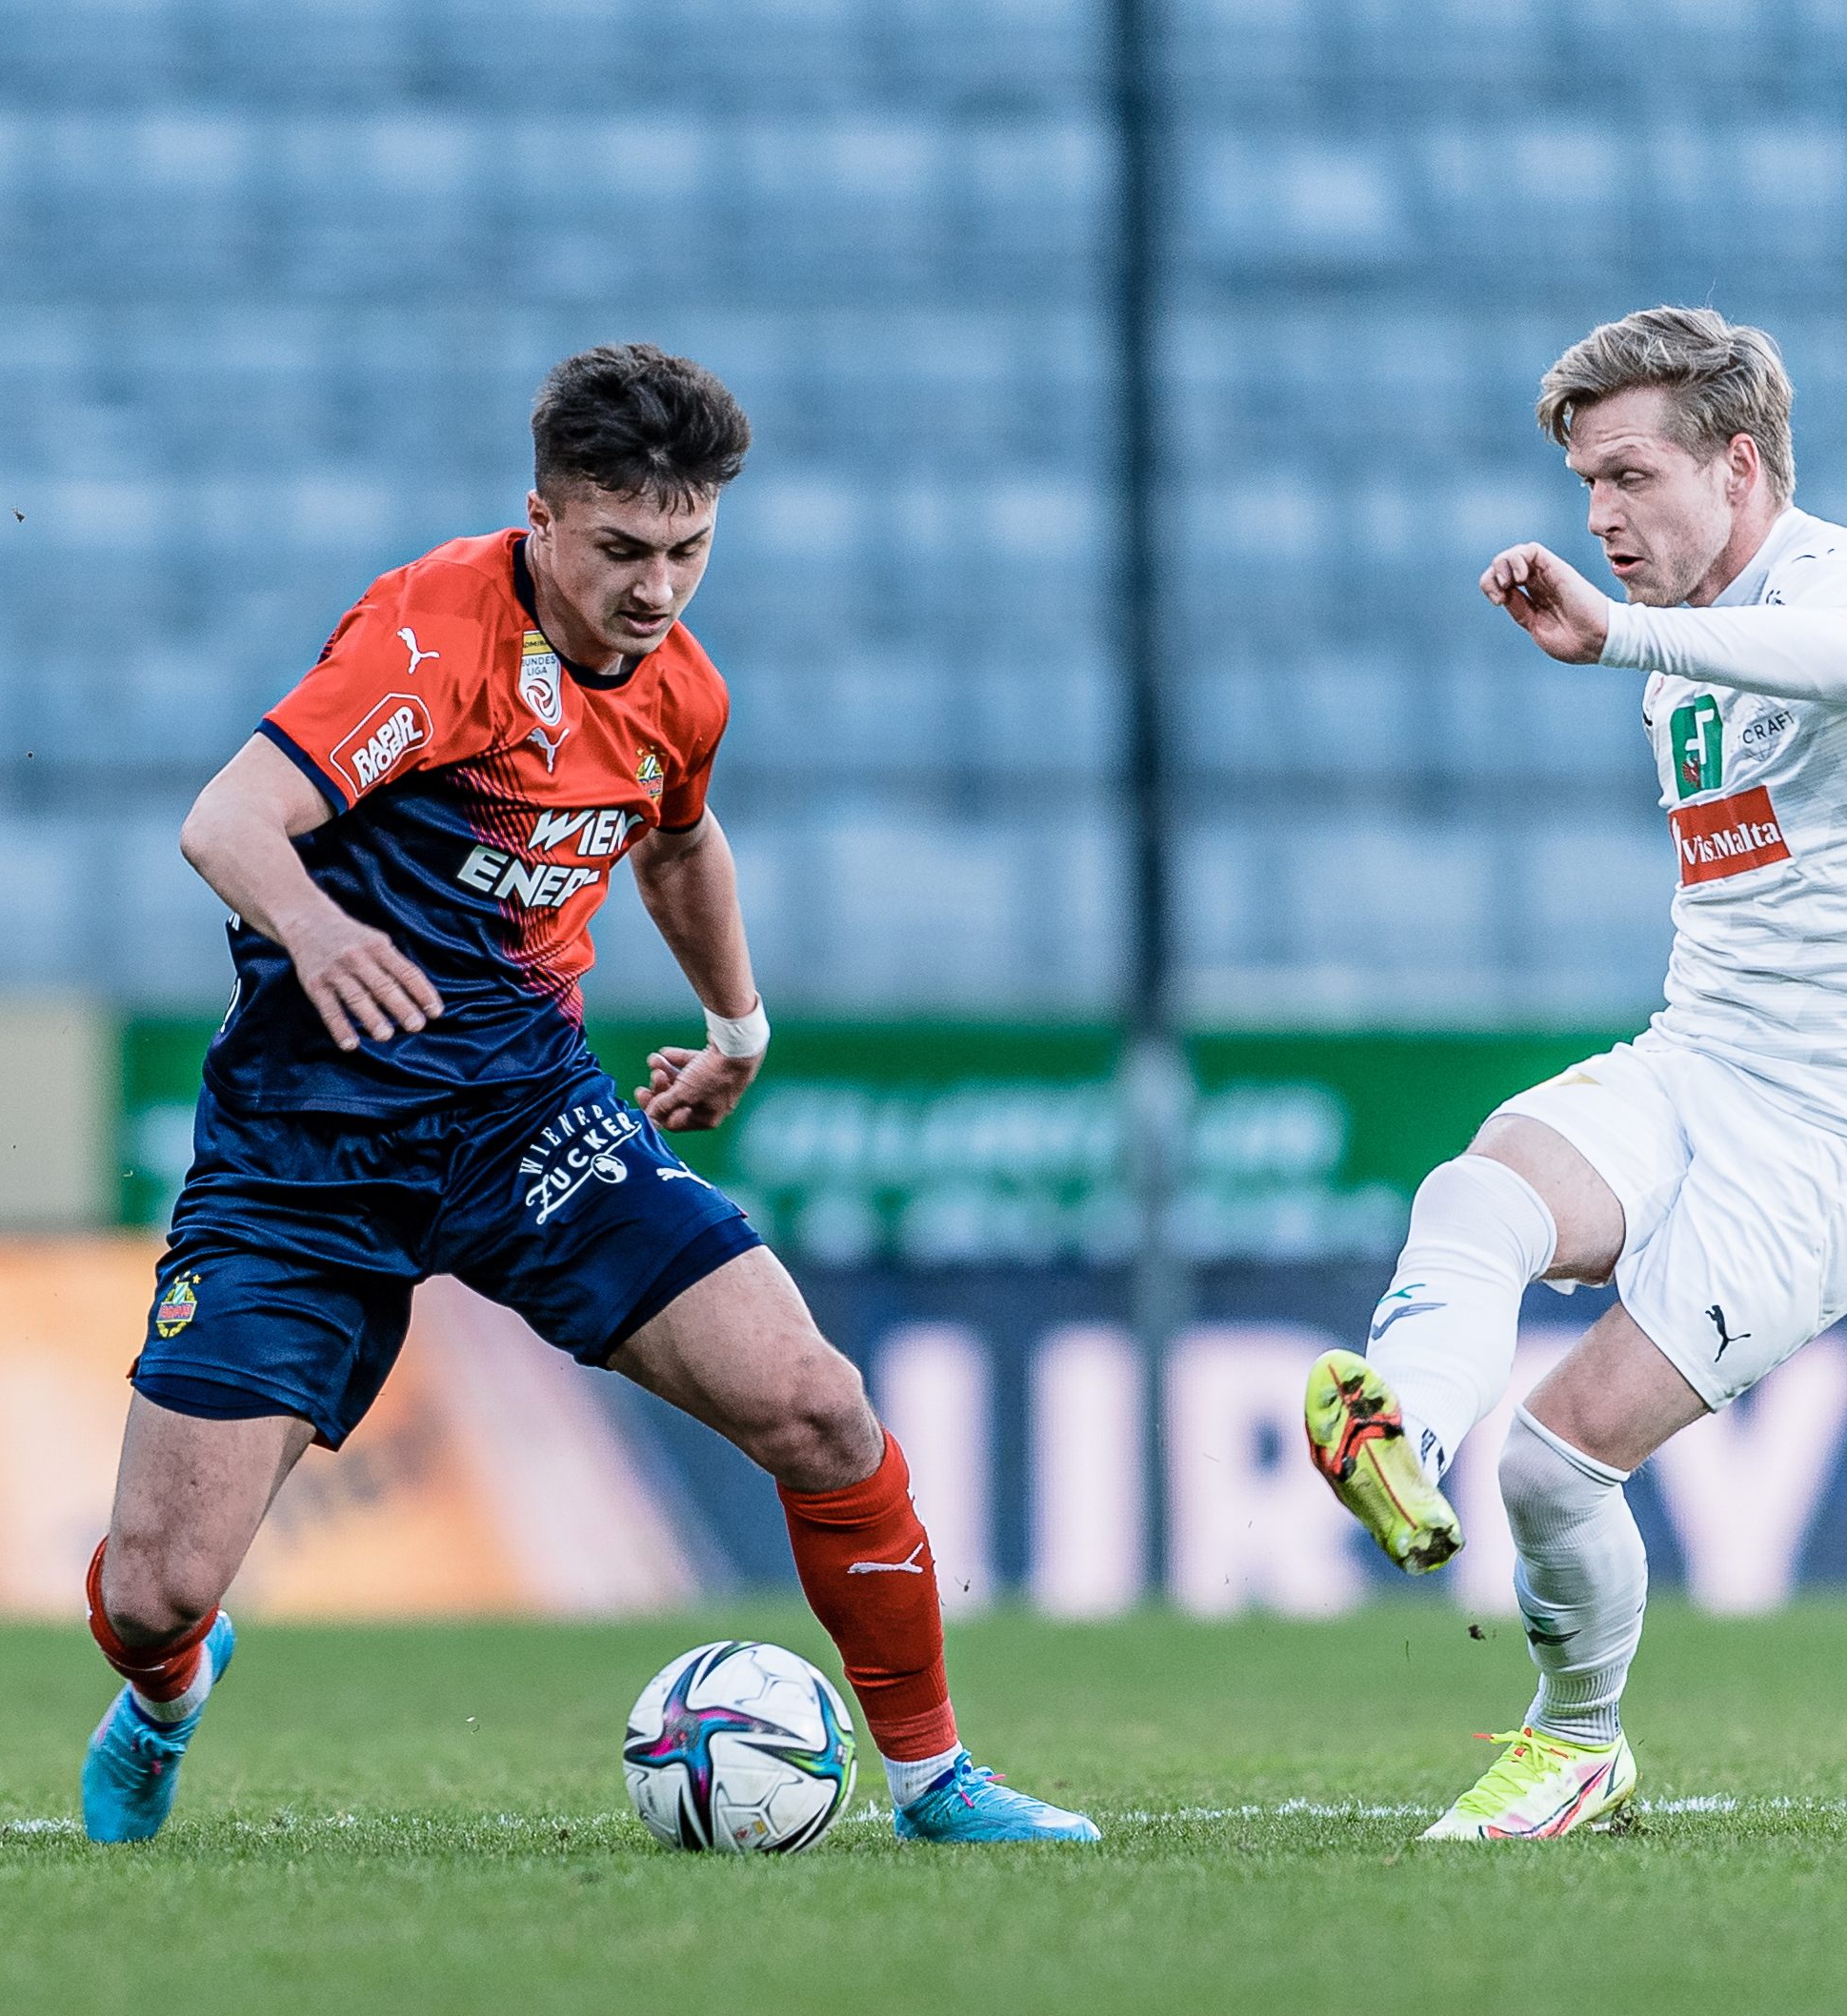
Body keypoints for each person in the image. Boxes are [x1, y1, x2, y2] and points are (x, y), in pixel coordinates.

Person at [80, 342, 1095, 1847]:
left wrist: (736, 1020)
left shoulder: (678, 687)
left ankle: (937, 1780)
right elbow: (227, 818)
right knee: (157, 1585)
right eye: (622, 548)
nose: (658, 587)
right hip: (310, 1148)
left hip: (525, 1120)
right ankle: (167, 1692)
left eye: (688, 549)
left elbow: (677, 844)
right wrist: (322, 925)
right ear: (542, 519)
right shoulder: (432, 639)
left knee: (817, 1406)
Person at [1306, 306, 1847, 1839]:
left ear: (1737, 464)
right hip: (1703, 1055)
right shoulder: (1673, 656)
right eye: (1581, 487)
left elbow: (1844, 660)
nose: (1599, 517)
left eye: (1627, 475)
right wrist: (1632, 638)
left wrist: (1618, 631)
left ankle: (1579, 1740)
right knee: (1476, 1190)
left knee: (1553, 1468)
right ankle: (1400, 1429)